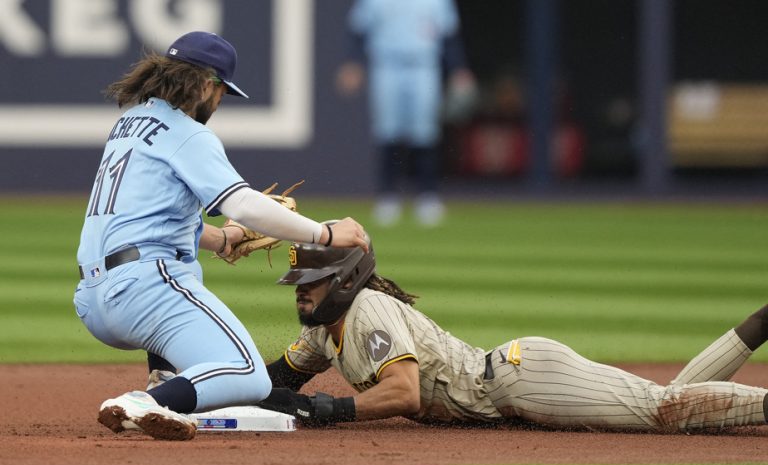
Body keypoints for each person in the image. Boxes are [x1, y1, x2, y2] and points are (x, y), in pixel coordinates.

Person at [73, 31, 368, 441]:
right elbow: (244, 206)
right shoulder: (188, 133)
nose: (219, 103)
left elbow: (150, 218)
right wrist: (325, 232)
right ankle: (153, 400)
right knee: (249, 375)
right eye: (223, 92)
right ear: (207, 85)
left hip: (93, 299)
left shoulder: (128, 123)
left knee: (182, 266)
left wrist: (222, 239)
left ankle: (165, 377)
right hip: (143, 291)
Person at [259, 231, 768, 432]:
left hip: (521, 379)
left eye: (312, 282)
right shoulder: (324, 331)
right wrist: (204, 389)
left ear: (344, 280)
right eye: (298, 283)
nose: (300, 292)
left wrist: (336, 408)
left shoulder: (368, 309)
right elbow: (275, 382)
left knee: (665, 411)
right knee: (673, 404)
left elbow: (405, 392)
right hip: (509, 388)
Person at [336, 0, 476, 227]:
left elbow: (449, 36)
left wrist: (458, 68)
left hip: (424, 64)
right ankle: (387, 197)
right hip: (387, 64)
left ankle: (428, 196)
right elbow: (358, 30)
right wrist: (352, 62)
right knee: (387, 131)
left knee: (426, 133)